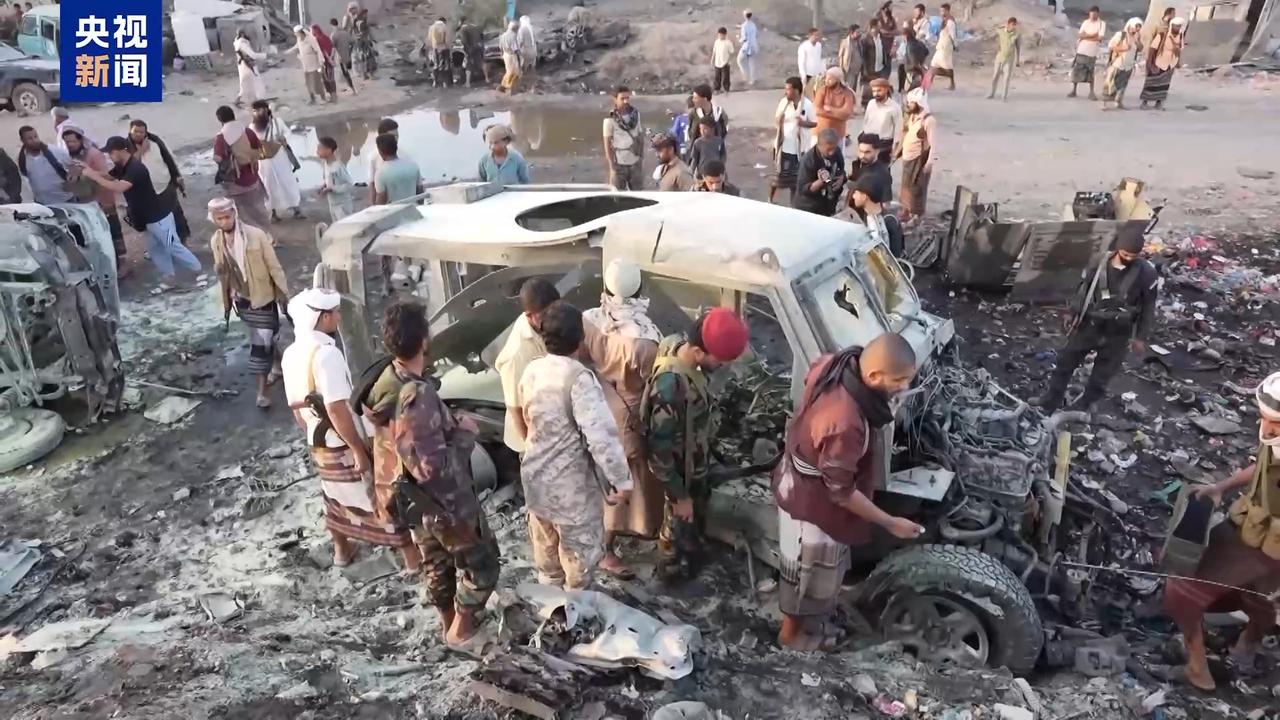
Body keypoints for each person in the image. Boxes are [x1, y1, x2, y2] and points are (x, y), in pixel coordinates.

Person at [359, 300, 498, 648]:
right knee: (483, 566)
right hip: (443, 502)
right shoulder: (417, 396)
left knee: (437, 563)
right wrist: (464, 434)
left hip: (411, 499)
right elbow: (430, 468)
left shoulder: (386, 380)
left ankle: (446, 625)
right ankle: (461, 632)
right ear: (423, 341)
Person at [773, 335, 924, 650]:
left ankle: (815, 615)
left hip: (808, 482)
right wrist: (890, 522)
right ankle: (790, 637)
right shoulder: (843, 422)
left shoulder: (836, 362)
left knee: (821, 570)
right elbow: (841, 492)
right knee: (805, 575)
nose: (904, 386)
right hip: (811, 503)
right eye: (899, 380)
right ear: (873, 376)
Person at [282, 289, 415, 572]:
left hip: (317, 437)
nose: (338, 318)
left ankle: (342, 551)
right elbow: (336, 408)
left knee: (333, 497)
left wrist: (311, 433)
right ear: (322, 318)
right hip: (342, 438)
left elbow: (296, 407)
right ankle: (411, 559)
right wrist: (358, 449)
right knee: (380, 495)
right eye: (334, 313)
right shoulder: (326, 355)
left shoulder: (290, 354)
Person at [1163, 373, 1280, 692]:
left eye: (1276, 424)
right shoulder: (1274, 438)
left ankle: (1198, 670)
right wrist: (1222, 486)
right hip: (1252, 529)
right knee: (1259, 595)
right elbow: (1262, 465)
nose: (1267, 429)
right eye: (1264, 418)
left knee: (1182, 590)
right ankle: (1246, 648)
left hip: (1268, 546)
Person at [517, 302, 632, 590]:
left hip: (535, 484)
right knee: (580, 569)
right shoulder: (579, 379)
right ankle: (577, 612)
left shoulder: (532, 371)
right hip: (572, 493)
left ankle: (550, 607)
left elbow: (526, 418)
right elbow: (601, 437)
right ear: (580, 340)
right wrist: (621, 480)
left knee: (548, 563)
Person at [643, 308, 749, 581]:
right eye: (720, 360)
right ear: (699, 352)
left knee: (693, 517)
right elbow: (658, 450)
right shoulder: (670, 388)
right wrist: (679, 496)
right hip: (680, 474)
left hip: (695, 461)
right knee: (678, 523)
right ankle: (670, 574)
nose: (722, 366)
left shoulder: (678, 344)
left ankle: (691, 548)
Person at [582, 260, 663, 577]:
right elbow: (652, 385)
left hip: (594, 407)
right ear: (640, 289)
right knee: (626, 479)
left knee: (603, 475)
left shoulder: (589, 320)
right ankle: (606, 548)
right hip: (627, 415)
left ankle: (606, 538)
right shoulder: (646, 339)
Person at [1037, 232, 1157, 412]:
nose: (1129, 259)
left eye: (1134, 256)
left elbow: (1148, 306)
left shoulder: (1147, 273)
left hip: (1119, 332)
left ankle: (1082, 407)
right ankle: (1050, 401)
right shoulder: (1099, 262)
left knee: (1101, 376)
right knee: (1064, 363)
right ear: (1118, 249)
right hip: (1090, 325)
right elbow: (1083, 289)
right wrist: (1072, 312)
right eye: (1125, 255)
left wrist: (1140, 337)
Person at [78, 137, 203, 289]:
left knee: (172, 246)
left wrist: (93, 176)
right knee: (155, 250)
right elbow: (110, 176)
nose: (109, 156)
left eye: (111, 152)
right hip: (146, 219)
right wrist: (91, 171)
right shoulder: (123, 166)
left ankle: (198, 270)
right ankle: (169, 276)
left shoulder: (135, 169)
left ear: (120, 151)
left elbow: (118, 187)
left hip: (160, 218)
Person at [207, 197, 288, 409]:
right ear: (213, 219)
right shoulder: (216, 241)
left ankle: (262, 393)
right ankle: (279, 366)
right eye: (219, 219)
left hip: (263, 298)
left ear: (234, 213)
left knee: (260, 344)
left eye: (227, 217)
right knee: (266, 338)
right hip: (242, 300)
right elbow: (223, 273)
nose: (224, 222)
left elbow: (274, 266)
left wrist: (283, 294)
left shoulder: (256, 236)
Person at [496, 279, 559, 454]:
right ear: (529, 315)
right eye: (546, 314)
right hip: (530, 435)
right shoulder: (517, 354)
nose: (553, 317)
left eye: (555, 309)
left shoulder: (542, 325)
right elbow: (515, 408)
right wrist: (533, 450)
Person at [61, 126, 124, 260]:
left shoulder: (93, 154)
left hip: (103, 202)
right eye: (67, 142)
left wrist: (89, 173)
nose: (70, 145)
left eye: (73, 141)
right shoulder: (71, 156)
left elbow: (108, 175)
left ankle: (121, 262)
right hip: (87, 204)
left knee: (112, 234)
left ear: (80, 140)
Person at [128, 120, 189, 245]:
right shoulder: (125, 147)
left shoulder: (155, 142)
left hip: (165, 185)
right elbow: (127, 167)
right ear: (130, 131)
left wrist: (177, 176)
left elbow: (168, 159)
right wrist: (141, 151)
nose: (138, 134)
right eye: (135, 131)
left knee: (175, 213)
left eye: (141, 132)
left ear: (146, 132)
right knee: (156, 221)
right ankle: (164, 243)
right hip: (146, 192)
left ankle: (182, 241)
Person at [213, 105, 271, 230]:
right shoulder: (247, 131)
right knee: (259, 211)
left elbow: (218, 158)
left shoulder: (221, 137)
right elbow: (259, 148)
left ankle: (250, 237)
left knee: (241, 214)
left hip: (235, 183)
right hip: (253, 177)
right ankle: (268, 235)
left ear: (220, 119)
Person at [250, 100, 304, 222]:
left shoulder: (277, 122)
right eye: (255, 111)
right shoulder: (252, 127)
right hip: (265, 162)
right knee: (268, 186)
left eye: (259, 110)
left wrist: (284, 139)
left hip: (280, 158)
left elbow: (287, 133)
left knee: (288, 182)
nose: (257, 113)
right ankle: (273, 213)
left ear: (266, 110)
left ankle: (296, 209)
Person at [770, 76, 816, 204]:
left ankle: (793, 204)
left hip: (799, 149)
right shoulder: (783, 103)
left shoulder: (807, 105)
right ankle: (770, 199)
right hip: (783, 146)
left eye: (788, 89)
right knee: (777, 176)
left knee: (795, 180)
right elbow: (776, 120)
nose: (786, 92)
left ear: (796, 91)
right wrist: (779, 120)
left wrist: (803, 123)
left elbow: (814, 123)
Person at [839, 173, 903, 255]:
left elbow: (883, 255)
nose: (853, 196)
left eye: (856, 192)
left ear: (864, 197)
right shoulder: (870, 216)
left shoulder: (881, 224)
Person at [898, 87, 936, 222]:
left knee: (917, 188)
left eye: (911, 102)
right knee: (906, 186)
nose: (908, 105)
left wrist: (929, 163)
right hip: (908, 158)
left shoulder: (929, 120)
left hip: (919, 160)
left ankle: (916, 215)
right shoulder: (913, 117)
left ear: (919, 103)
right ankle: (906, 211)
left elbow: (934, 144)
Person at [793, 128, 846, 216]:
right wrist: (820, 181)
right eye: (828, 150)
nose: (832, 153)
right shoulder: (808, 160)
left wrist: (842, 178)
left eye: (834, 148)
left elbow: (841, 170)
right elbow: (802, 189)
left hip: (827, 205)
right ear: (819, 145)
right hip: (808, 208)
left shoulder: (837, 152)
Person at [16, 126, 73, 206]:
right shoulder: (22, 159)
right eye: (30, 138)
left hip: (65, 200)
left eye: (36, 136)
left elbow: (73, 164)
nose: (35, 140)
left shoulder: (54, 151)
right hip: (42, 203)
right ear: (22, 140)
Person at [603, 86, 644, 191]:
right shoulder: (609, 119)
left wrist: (641, 157)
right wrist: (612, 167)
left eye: (627, 98)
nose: (626, 101)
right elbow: (607, 145)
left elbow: (640, 135)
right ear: (615, 99)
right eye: (622, 98)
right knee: (618, 195)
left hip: (635, 162)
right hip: (619, 164)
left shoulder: (635, 115)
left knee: (638, 194)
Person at [1141, 16, 1185, 110]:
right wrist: (1150, 63)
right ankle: (1145, 102)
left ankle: (1158, 103)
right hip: (1159, 62)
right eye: (1176, 26)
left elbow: (1179, 50)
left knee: (1164, 85)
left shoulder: (1180, 36)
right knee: (1151, 83)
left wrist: (1178, 62)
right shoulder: (1162, 35)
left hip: (1170, 63)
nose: (1177, 28)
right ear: (1172, 25)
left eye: (1179, 26)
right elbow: (1152, 49)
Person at [1102, 18, 1143, 110]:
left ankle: (1118, 102)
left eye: (1139, 27)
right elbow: (1111, 46)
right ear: (1131, 25)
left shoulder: (1136, 37)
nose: (1137, 29)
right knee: (1111, 83)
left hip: (1128, 65)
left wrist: (1138, 41)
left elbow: (1140, 48)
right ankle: (1104, 103)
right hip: (1118, 63)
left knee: (1123, 85)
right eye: (1136, 26)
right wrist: (1124, 48)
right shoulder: (1121, 35)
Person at [372, 133, 422, 204]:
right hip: (413, 208)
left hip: (394, 210)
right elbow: (420, 192)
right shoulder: (413, 165)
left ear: (380, 151)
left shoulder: (380, 173)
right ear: (396, 147)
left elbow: (381, 199)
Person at [286, 25, 331, 104]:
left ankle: (323, 98)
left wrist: (321, 62)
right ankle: (312, 99)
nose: (295, 35)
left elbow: (318, 51)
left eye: (296, 33)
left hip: (314, 65)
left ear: (300, 32)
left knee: (317, 83)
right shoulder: (299, 39)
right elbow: (297, 47)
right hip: (306, 65)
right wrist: (288, 52)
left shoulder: (311, 39)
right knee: (308, 84)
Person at [1070, 7, 1106, 100]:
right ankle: (1074, 90)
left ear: (1098, 14)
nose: (1092, 16)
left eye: (1094, 14)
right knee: (1076, 71)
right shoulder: (1086, 22)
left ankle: (1091, 92)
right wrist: (1093, 35)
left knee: (1090, 72)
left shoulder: (1101, 24)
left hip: (1092, 51)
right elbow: (1080, 35)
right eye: (1091, 14)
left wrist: (1086, 36)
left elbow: (1100, 37)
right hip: (1081, 50)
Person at [862, 79, 901, 164]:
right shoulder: (871, 103)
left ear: (886, 90)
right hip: (868, 142)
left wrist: (895, 150)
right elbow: (866, 122)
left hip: (884, 144)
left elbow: (898, 130)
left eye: (879, 90)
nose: (876, 94)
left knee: (882, 169)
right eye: (874, 91)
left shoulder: (895, 107)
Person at [813, 67, 856, 147]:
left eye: (830, 79)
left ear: (838, 80)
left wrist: (830, 109)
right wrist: (839, 114)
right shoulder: (822, 90)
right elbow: (817, 110)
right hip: (820, 132)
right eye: (826, 78)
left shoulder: (847, 93)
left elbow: (847, 113)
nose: (826, 81)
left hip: (838, 134)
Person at [848, 132, 893, 204]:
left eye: (867, 152)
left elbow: (886, 204)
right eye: (860, 151)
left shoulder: (883, 174)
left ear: (877, 151)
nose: (862, 156)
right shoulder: (859, 164)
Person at [316, 136, 354, 222]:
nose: (317, 151)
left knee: (344, 226)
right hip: (332, 203)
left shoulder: (338, 166)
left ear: (329, 150)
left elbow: (349, 184)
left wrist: (332, 189)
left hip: (342, 205)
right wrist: (324, 186)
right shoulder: (325, 164)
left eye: (319, 148)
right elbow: (329, 179)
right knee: (336, 226)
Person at [683, 84, 729, 151]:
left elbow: (725, 129)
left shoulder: (719, 113)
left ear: (704, 99)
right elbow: (690, 132)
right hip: (698, 150)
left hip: (715, 150)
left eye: (695, 98)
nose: (693, 100)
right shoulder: (694, 114)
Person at [988, 17, 1021, 100]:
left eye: (1015, 24)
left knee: (1006, 77)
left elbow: (1018, 47)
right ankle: (992, 93)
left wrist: (1017, 60)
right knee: (995, 76)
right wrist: (1003, 25)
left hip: (1009, 58)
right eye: (1012, 24)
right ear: (1009, 24)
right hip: (999, 57)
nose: (1014, 26)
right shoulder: (1001, 31)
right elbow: (995, 28)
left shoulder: (1016, 34)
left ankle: (1004, 96)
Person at [859, 18, 890, 106]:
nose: (880, 27)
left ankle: (878, 104)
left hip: (880, 67)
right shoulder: (865, 40)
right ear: (874, 27)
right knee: (868, 89)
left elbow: (885, 52)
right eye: (879, 25)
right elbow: (863, 56)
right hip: (870, 68)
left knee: (879, 88)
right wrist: (865, 70)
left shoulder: (881, 38)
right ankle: (866, 105)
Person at [233, 30, 267, 106]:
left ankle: (238, 99)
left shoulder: (237, 41)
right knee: (257, 83)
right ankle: (260, 101)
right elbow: (252, 55)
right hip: (248, 65)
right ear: (242, 34)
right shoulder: (242, 43)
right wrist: (265, 55)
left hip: (242, 65)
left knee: (244, 83)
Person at [368, 118, 398, 204]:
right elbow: (372, 183)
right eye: (393, 136)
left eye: (397, 136)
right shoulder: (373, 157)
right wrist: (373, 205)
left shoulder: (404, 154)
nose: (396, 139)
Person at [686, 117, 725, 182]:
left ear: (712, 129)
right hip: (701, 175)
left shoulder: (719, 141)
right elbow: (694, 159)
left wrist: (721, 166)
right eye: (700, 129)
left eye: (705, 129)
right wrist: (691, 172)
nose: (702, 131)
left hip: (715, 173)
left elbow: (723, 155)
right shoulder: (698, 142)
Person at [929, 3, 957, 90]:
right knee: (934, 64)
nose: (941, 13)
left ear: (948, 11)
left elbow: (953, 35)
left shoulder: (950, 22)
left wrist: (955, 45)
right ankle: (929, 82)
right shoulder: (944, 21)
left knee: (947, 66)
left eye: (943, 11)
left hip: (946, 47)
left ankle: (952, 83)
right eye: (941, 11)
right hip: (941, 46)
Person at [327, 18, 357, 93]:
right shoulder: (345, 32)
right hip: (348, 55)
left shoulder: (333, 35)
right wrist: (350, 51)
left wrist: (331, 58)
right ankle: (350, 87)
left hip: (340, 56)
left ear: (331, 25)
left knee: (345, 73)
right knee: (347, 72)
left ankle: (352, 89)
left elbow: (333, 47)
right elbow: (353, 41)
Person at [311, 23, 339, 98]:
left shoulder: (317, 39)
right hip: (330, 61)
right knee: (331, 78)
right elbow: (333, 47)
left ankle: (332, 95)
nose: (311, 32)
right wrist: (332, 58)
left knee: (326, 79)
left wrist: (329, 59)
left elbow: (323, 51)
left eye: (312, 30)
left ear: (315, 30)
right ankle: (334, 95)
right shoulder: (326, 37)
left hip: (324, 62)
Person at [900, 26, 930, 92]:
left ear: (906, 36)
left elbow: (913, 60)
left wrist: (918, 66)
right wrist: (922, 61)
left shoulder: (909, 46)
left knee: (909, 91)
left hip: (912, 72)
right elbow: (927, 52)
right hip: (919, 71)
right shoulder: (920, 43)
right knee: (919, 91)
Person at [457, 15, 485, 87]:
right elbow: (482, 36)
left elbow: (464, 41)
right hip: (479, 47)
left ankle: (468, 83)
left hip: (471, 48)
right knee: (481, 62)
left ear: (461, 22)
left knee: (468, 65)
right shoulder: (475, 26)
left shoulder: (463, 29)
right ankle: (487, 79)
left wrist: (466, 50)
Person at [427, 16, 452, 88]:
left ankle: (435, 82)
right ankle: (444, 83)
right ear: (444, 21)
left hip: (435, 48)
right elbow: (447, 39)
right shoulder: (445, 27)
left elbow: (429, 39)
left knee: (436, 65)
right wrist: (449, 47)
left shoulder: (432, 27)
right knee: (445, 65)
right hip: (444, 48)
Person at [797, 28, 824, 95]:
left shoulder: (819, 45)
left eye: (818, 35)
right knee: (808, 94)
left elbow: (819, 59)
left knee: (817, 93)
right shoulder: (803, 47)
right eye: (815, 35)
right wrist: (803, 75)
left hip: (817, 74)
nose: (817, 37)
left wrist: (822, 71)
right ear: (810, 36)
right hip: (808, 75)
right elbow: (801, 62)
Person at [838, 25, 863, 95]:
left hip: (857, 70)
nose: (859, 34)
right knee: (849, 88)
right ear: (852, 32)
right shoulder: (845, 42)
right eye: (857, 32)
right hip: (849, 69)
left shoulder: (859, 42)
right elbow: (840, 56)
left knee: (854, 90)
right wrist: (841, 69)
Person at [353, 8, 378, 79]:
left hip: (358, 42)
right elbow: (364, 34)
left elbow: (356, 33)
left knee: (362, 59)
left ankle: (364, 75)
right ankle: (371, 74)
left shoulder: (356, 22)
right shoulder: (362, 23)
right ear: (363, 14)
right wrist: (370, 41)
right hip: (364, 42)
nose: (367, 15)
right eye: (366, 14)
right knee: (370, 58)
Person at [737, 9, 759, 87]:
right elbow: (756, 35)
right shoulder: (753, 25)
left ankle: (745, 75)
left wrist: (739, 39)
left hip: (746, 46)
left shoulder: (744, 25)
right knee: (751, 63)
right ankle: (752, 79)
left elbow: (744, 38)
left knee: (739, 60)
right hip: (754, 45)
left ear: (744, 16)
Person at [499, 20, 522, 93]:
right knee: (515, 72)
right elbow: (514, 48)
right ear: (515, 28)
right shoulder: (513, 35)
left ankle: (504, 85)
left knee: (509, 70)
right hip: (512, 55)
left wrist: (502, 54)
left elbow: (500, 46)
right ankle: (508, 86)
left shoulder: (503, 35)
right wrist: (520, 55)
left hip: (505, 54)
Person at [711, 26, 734, 93]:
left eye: (721, 35)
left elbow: (732, 52)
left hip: (725, 62)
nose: (720, 36)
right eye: (719, 35)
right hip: (717, 62)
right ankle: (717, 89)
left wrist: (729, 61)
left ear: (725, 35)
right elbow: (714, 51)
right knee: (717, 77)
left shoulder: (728, 42)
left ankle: (726, 89)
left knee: (725, 77)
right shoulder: (716, 42)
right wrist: (712, 59)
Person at [518, 14, 538, 81]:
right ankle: (534, 77)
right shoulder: (532, 28)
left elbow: (520, 41)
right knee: (533, 64)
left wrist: (518, 49)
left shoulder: (522, 29)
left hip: (526, 49)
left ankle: (525, 79)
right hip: (534, 49)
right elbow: (536, 39)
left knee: (524, 65)